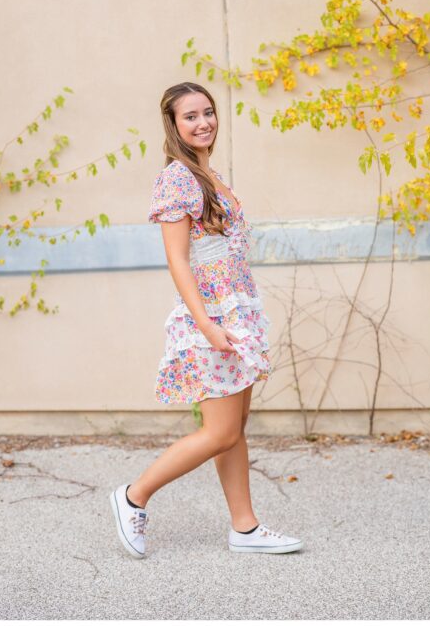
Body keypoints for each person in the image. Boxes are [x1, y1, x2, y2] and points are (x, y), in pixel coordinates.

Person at [109, 82, 301, 558]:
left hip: (237, 312)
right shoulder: (178, 178)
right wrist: (207, 324)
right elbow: (178, 260)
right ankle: (133, 496)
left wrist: (237, 319)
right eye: (190, 116)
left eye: (208, 112)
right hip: (210, 316)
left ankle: (246, 527)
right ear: (173, 126)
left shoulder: (212, 176)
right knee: (218, 431)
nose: (203, 122)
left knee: (234, 428)